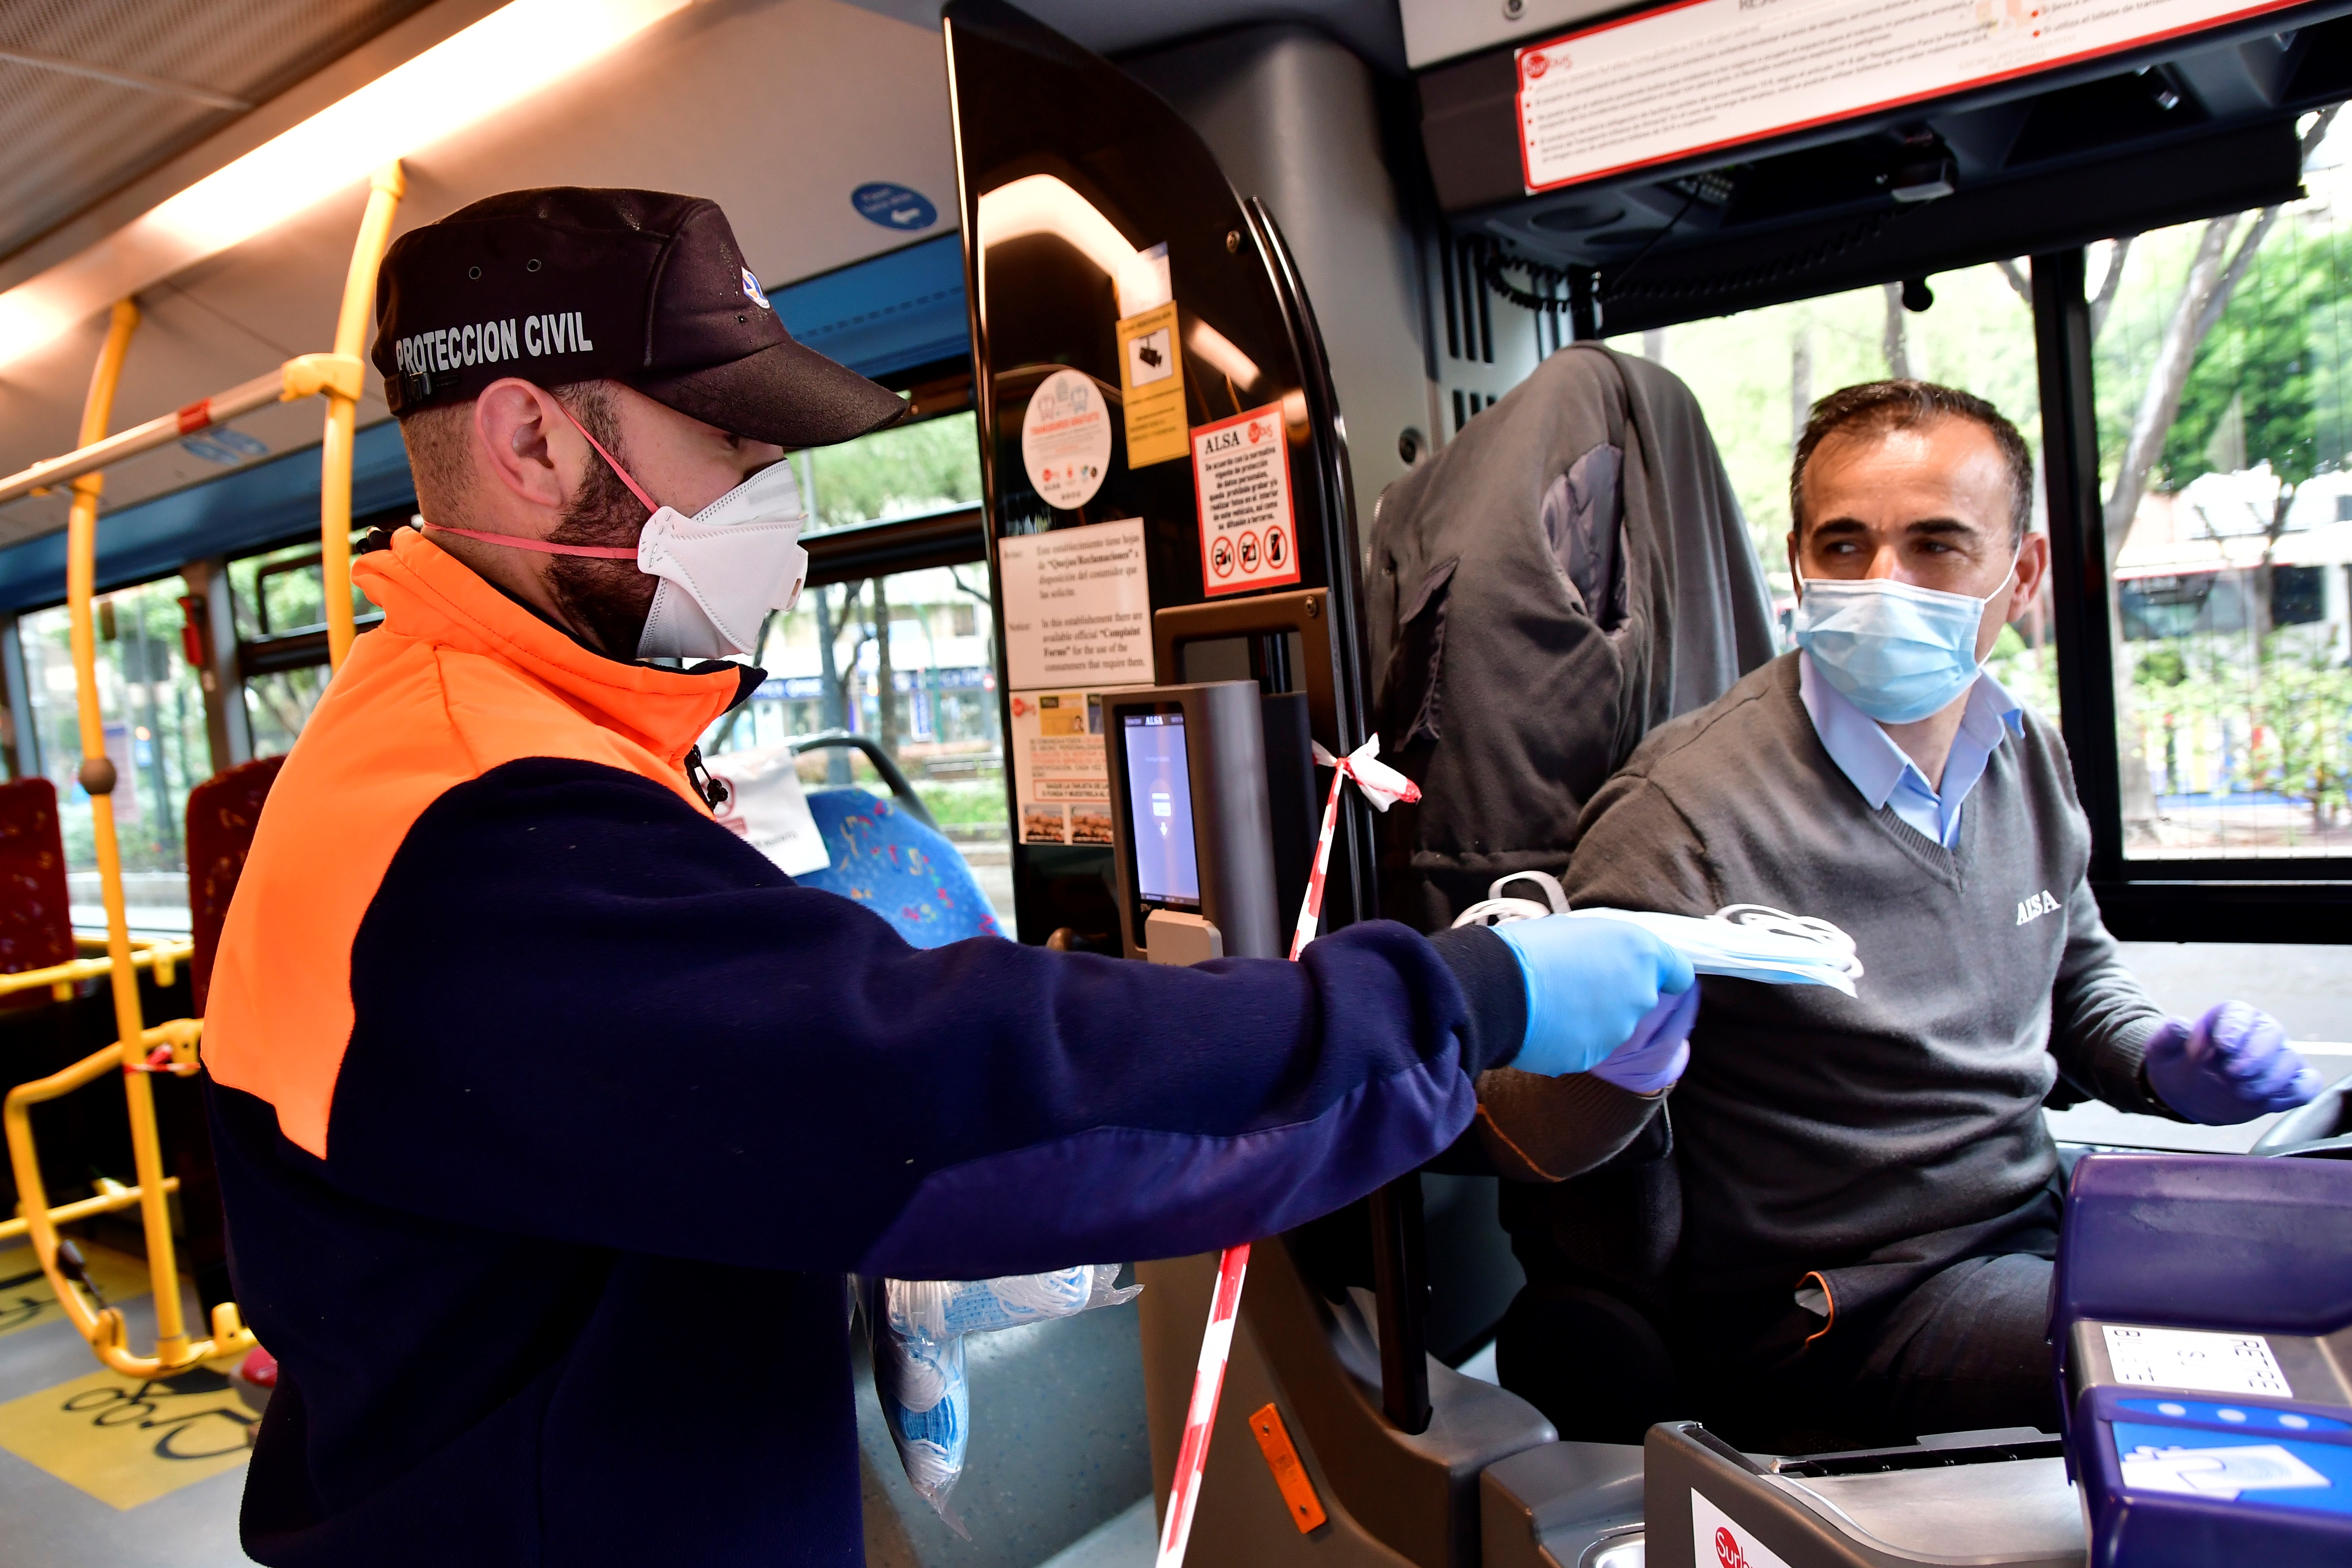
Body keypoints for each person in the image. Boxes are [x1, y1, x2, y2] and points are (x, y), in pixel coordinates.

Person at [198, 188, 1698, 1566]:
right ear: (533, 444)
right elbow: (960, 1092)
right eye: (733, 450)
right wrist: (1469, 999)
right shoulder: (486, 826)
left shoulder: (485, 741)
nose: (771, 506)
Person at [1520, 379, 2319, 1450]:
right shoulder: (1685, 810)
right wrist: (1617, 1070)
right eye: (1845, 546)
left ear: (2021, 575)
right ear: (1800, 559)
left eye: (1938, 545)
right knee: (2226, 1355)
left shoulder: (2023, 752)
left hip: (2035, 1217)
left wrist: (2162, 1062)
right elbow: (1536, 1130)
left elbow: (2075, 973)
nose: (1884, 583)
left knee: (2318, 1268)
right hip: (1842, 1309)